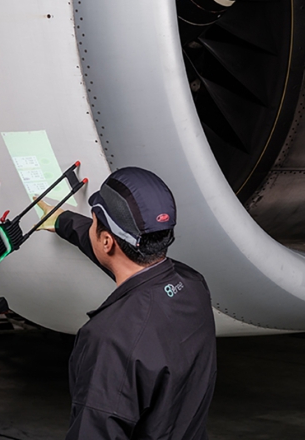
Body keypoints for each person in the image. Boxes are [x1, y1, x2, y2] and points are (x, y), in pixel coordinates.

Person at [40, 167, 217, 439]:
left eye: (94, 222)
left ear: (107, 241)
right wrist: (63, 220)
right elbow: (119, 257)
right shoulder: (193, 284)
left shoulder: (110, 339)